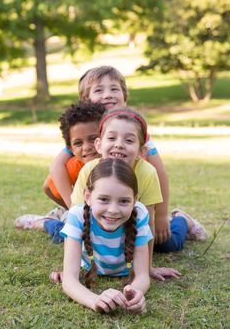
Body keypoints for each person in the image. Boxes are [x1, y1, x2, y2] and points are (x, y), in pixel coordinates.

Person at [65, 107, 207, 282]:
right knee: (62, 233)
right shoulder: (88, 170)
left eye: (129, 140)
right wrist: (69, 269)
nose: (119, 144)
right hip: (102, 225)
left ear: (141, 151)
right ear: (99, 145)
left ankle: (182, 220)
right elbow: (75, 218)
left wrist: (147, 268)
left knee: (168, 244)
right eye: (111, 138)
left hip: (132, 227)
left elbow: (149, 221)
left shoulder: (147, 173)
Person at [50, 66, 170, 245]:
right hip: (96, 195)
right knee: (64, 234)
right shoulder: (85, 126)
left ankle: (178, 217)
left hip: (131, 195)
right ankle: (56, 217)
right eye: (99, 90)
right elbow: (56, 167)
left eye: (114, 89)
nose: (108, 94)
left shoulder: (131, 126)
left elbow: (158, 171)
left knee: (161, 243)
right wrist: (74, 211)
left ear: (125, 96)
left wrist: (161, 215)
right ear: (85, 100)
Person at [61, 158, 151, 313]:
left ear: (134, 200)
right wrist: (94, 300)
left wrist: (134, 292)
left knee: (173, 239)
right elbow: (69, 279)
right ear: (88, 197)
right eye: (104, 199)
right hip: (79, 227)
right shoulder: (77, 215)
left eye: (124, 201)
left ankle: (182, 220)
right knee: (56, 230)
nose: (113, 210)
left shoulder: (140, 214)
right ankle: (45, 221)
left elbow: (143, 274)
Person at [15, 101, 105, 242]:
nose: (87, 147)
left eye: (93, 139)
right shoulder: (76, 165)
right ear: (70, 148)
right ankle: (46, 223)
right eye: (78, 143)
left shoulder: (118, 162)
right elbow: (48, 187)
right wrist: (72, 207)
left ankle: (58, 214)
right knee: (67, 234)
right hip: (84, 215)